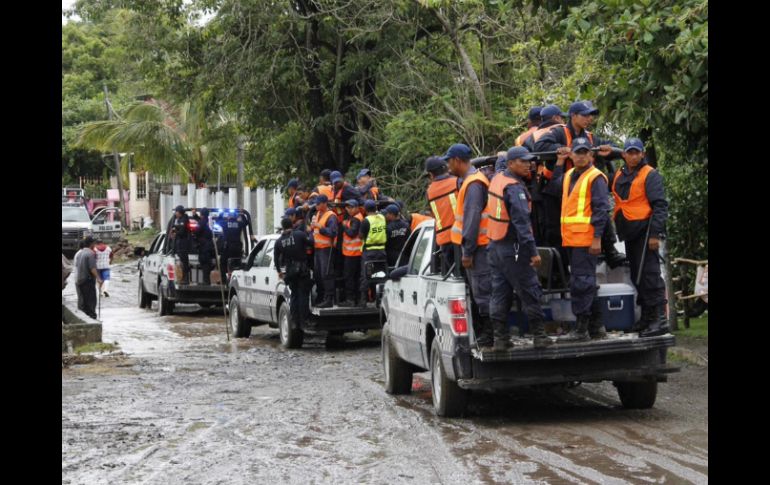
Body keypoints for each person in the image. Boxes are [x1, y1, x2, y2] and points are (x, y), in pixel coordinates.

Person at [535, 100, 626, 269]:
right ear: (573, 116)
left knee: (601, 211)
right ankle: (559, 269)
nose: (589, 118)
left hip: (582, 191)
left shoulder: (590, 137)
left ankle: (609, 250)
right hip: (558, 189)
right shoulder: (558, 132)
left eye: (591, 115)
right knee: (555, 230)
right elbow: (539, 146)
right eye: (585, 115)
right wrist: (562, 148)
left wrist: (609, 150)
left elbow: (613, 147)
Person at [486, 146, 553, 350]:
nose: (528, 164)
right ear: (510, 163)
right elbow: (522, 224)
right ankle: (540, 336)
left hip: (495, 247)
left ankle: (500, 338)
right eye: (523, 161)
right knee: (530, 289)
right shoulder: (514, 188)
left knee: (500, 293)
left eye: (529, 161)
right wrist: (532, 252)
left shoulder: (497, 179)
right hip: (513, 248)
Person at [611, 138, 670, 337]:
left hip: (645, 234)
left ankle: (660, 320)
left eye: (637, 152)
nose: (634, 156)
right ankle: (646, 318)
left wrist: (655, 235)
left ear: (642, 154)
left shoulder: (650, 174)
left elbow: (660, 206)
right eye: (630, 152)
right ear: (624, 155)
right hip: (629, 234)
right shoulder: (619, 174)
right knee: (638, 277)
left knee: (650, 277)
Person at [553, 137, 609, 341]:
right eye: (577, 152)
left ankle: (581, 330)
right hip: (571, 239)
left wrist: (597, 238)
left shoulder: (596, 177)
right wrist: (559, 163)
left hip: (586, 240)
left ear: (591, 155)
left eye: (585, 152)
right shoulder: (569, 175)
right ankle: (596, 327)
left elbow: (601, 210)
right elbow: (554, 189)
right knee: (585, 283)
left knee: (581, 284)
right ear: (572, 154)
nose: (581, 156)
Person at [444, 143, 492, 344]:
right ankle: (487, 334)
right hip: (477, 247)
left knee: (482, 291)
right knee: (479, 290)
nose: (448, 166)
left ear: (457, 160)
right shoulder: (470, 182)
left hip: (479, 248)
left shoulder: (473, 184)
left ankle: (490, 335)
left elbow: (472, 220)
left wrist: (468, 252)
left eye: (449, 161)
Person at [274, 217, 314, 330]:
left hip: (290, 272)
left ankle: (294, 321)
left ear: (283, 227)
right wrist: (311, 232)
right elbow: (311, 243)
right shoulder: (299, 235)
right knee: (303, 296)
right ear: (292, 225)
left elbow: (276, 259)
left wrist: (279, 271)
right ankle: (304, 321)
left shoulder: (279, 242)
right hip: (302, 270)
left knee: (294, 296)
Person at [425, 156, 459, 273]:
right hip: (461, 236)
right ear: (446, 168)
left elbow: (433, 214)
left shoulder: (429, 191)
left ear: (431, 174)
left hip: (445, 241)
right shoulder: (457, 182)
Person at [359, 199, 387, 307]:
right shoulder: (382, 218)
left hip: (369, 252)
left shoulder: (366, 221)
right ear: (376, 208)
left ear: (365, 210)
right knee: (380, 275)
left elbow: (361, 236)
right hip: (381, 251)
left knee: (366, 275)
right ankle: (379, 300)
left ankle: (363, 301)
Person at [311, 194, 337, 308]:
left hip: (326, 249)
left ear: (325, 203)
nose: (316, 205)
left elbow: (333, 232)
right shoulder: (317, 214)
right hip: (317, 248)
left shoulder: (331, 216)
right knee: (318, 275)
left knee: (326, 274)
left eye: (318, 203)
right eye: (316, 203)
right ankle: (321, 297)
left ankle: (329, 299)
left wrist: (320, 227)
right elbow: (315, 231)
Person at [339, 200, 364, 306]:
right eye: (347, 208)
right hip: (355, 253)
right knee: (356, 277)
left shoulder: (356, 219)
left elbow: (352, 233)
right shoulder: (356, 217)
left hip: (352, 253)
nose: (348, 210)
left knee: (349, 277)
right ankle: (357, 299)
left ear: (356, 208)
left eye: (350, 207)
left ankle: (350, 300)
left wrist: (345, 226)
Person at [76, 236, 102, 319]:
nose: (95, 244)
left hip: (80, 280)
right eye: (94, 243)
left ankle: (84, 317)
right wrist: (98, 278)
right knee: (91, 300)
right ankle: (92, 317)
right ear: (91, 244)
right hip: (88, 280)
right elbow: (92, 268)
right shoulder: (90, 254)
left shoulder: (80, 253)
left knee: (84, 301)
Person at [221, 210, 247, 277]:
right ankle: (236, 276)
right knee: (237, 263)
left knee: (223, 263)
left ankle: (225, 279)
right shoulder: (239, 223)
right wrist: (242, 214)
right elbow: (246, 222)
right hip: (237, 248)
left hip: (228, 248)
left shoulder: (225, 223)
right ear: (236, 217)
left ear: (228, 217)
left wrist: (222, 213)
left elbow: (218, 221)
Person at [192, 207, 214, 284]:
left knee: (204, 264)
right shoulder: (209, 221)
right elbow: (201, 221)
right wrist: (195, 215)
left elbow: (196, 231)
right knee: (207, 263)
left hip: (204, 247)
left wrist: (193, 232)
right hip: (209, 246)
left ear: (202, 215)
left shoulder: (202, 222)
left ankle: (206, 281)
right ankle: (207, 280)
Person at [170, 205, 192, 284]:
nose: (175, 214)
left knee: (184, 262)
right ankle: (184, 278)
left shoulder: (184, 219)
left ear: (179, 212)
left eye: (176, 212)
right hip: (179, 244)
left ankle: (186, 278)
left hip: (183, 244)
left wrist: (175, 232)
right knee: (182, 261)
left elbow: (182, 232)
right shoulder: (178, 219)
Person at [72, 239, 88, 311]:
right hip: (81, 278)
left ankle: (81, 311)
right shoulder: (82, 254)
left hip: (78, 277)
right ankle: (82, 311)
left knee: (81, 296)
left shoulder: (78, 253)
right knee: (82, 297)